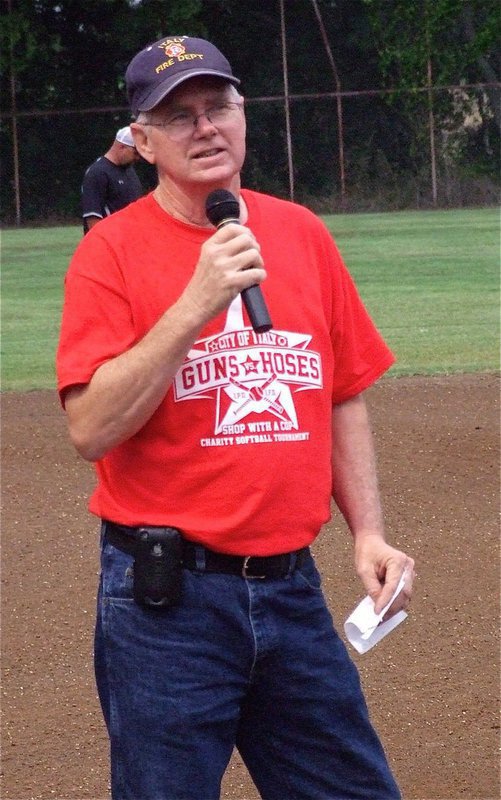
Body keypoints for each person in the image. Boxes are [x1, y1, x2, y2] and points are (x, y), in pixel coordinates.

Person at [57, 34, 416, 800]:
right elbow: (90, 428)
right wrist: (194, 303)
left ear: (244, 115)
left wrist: (369, 532)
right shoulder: (109, 254)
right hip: (167, 609)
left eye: (217, 106)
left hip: (291, 593)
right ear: (143, 141)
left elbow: (339, 390)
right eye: (177, 116)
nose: (204, 128)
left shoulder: (301, 234)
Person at [80, 125, 143, 233]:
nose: (137, 158)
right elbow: (93, 219)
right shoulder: (98, 173)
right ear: (122, 147)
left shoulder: (130, 171)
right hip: (111, 243)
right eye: (135, 153)